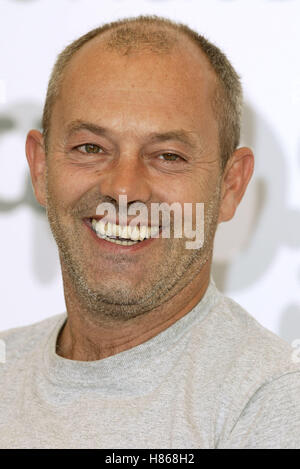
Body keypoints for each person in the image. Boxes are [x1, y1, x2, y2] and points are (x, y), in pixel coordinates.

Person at [1, 15, 299, 449]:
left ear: (231, 185)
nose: (123, 188)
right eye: (90, 148)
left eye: (168, 156)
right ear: (41, 168)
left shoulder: (270, 400)